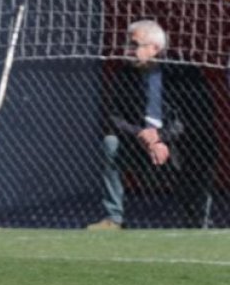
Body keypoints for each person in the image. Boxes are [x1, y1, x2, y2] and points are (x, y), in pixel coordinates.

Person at [88, 19, 216, 229]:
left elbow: (196, 116)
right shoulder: (125, 74)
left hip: (179, 141)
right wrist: (142, 135)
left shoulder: (184, 72)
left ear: (155, 48)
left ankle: (198, 219)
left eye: (134, 45)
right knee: (110, 143)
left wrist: (161, 136)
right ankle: (113, 218)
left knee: (203, 146)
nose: (127, 51)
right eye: (127, 45)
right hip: (139, 142)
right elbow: (115, 116)